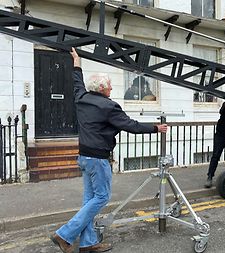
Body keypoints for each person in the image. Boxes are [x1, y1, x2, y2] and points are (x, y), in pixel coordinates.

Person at [50, 48, 168, 253]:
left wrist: (77, 62)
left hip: (84, 157)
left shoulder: (81, 97)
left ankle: (88, 244)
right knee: (102, 197)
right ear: (103, 88)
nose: (112, 89)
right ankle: (65, 234)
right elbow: (131, 126)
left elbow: (77, 81)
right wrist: (156, 128)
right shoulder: (108, 106)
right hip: (97, 159)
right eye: (110, 86)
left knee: (90, 201)